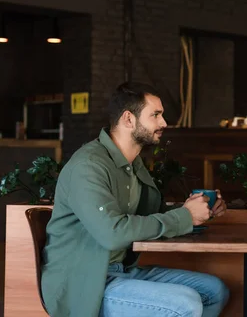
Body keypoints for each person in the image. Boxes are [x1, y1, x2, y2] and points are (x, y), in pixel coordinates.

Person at [41, 82, 229, 317]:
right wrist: (184, 216)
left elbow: (148, 218)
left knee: (214, 291)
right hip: (84, 282)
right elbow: (113, 233)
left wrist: (197, 210)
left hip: (120, 270)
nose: (164, 123)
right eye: (156, 115)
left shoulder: (131, 164)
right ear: (129, 119)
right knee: (185, 304)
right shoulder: (89, 166)